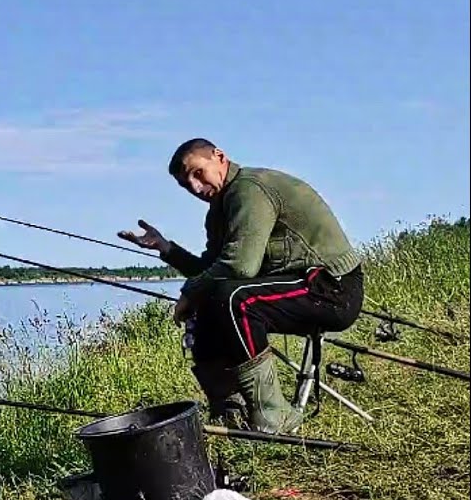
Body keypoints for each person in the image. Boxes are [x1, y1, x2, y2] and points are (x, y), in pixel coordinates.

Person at [119, 139, 365, 434]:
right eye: (186, 185)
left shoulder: (249, 189)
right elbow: (213, 271)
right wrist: (166, 249)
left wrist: (189, 291)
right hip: (298, 286)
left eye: (198, 173)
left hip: (332, 288)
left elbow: (240, 267)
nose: (195, 187)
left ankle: (275, 417)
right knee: (211, 300)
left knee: (236, 300)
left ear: (219, 157)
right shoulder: (219, 210)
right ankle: (230, 409)